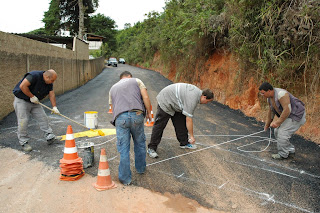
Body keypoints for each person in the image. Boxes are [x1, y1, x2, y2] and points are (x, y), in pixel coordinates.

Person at [147, 83, 214, 158]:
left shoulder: (198, 93)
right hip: (166, 100)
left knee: (180, 123)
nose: (206, 103)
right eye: (207, 101)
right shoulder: (193, 99)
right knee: (159, 126)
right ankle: (151, 148)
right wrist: (192, 136)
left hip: (176, 103)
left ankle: (184, 143)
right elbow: (189, 119)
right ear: (204, 97)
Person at [109, 71, 152, 185]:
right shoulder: (136, 81)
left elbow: (112, 107)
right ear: (129, 76)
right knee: (140, 143)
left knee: (123, 148)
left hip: (120, 118)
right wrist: (148, 113)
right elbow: (146, 97)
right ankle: (141, 169)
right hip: (137, 115)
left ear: (121, 78)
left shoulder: (113, 88)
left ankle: (125, 179)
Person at [13, 69, 60, 152]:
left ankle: (50, 137)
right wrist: (31, 96)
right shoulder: (33, 76)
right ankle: (24, 142)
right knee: (23, 121)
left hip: (35, 101)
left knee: (43, 117)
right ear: (46, 77)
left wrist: (54, 107)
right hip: (22, 100)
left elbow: (51, 94)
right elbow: (23, 86)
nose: (52, 82)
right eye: (52, 80)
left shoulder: (49, 83)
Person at [259, 82, 306, 159]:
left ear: (269, 91)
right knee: (276, 131)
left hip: (296, 115)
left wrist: (278, 122)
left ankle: (283, 154)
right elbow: (271, 111)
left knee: (282, 133)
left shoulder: (281, 94)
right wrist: (267, 124)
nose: (262, 95)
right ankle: (289, 150)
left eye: (263, 93)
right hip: (288, 116)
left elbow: (287, 110)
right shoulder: (269, 99)